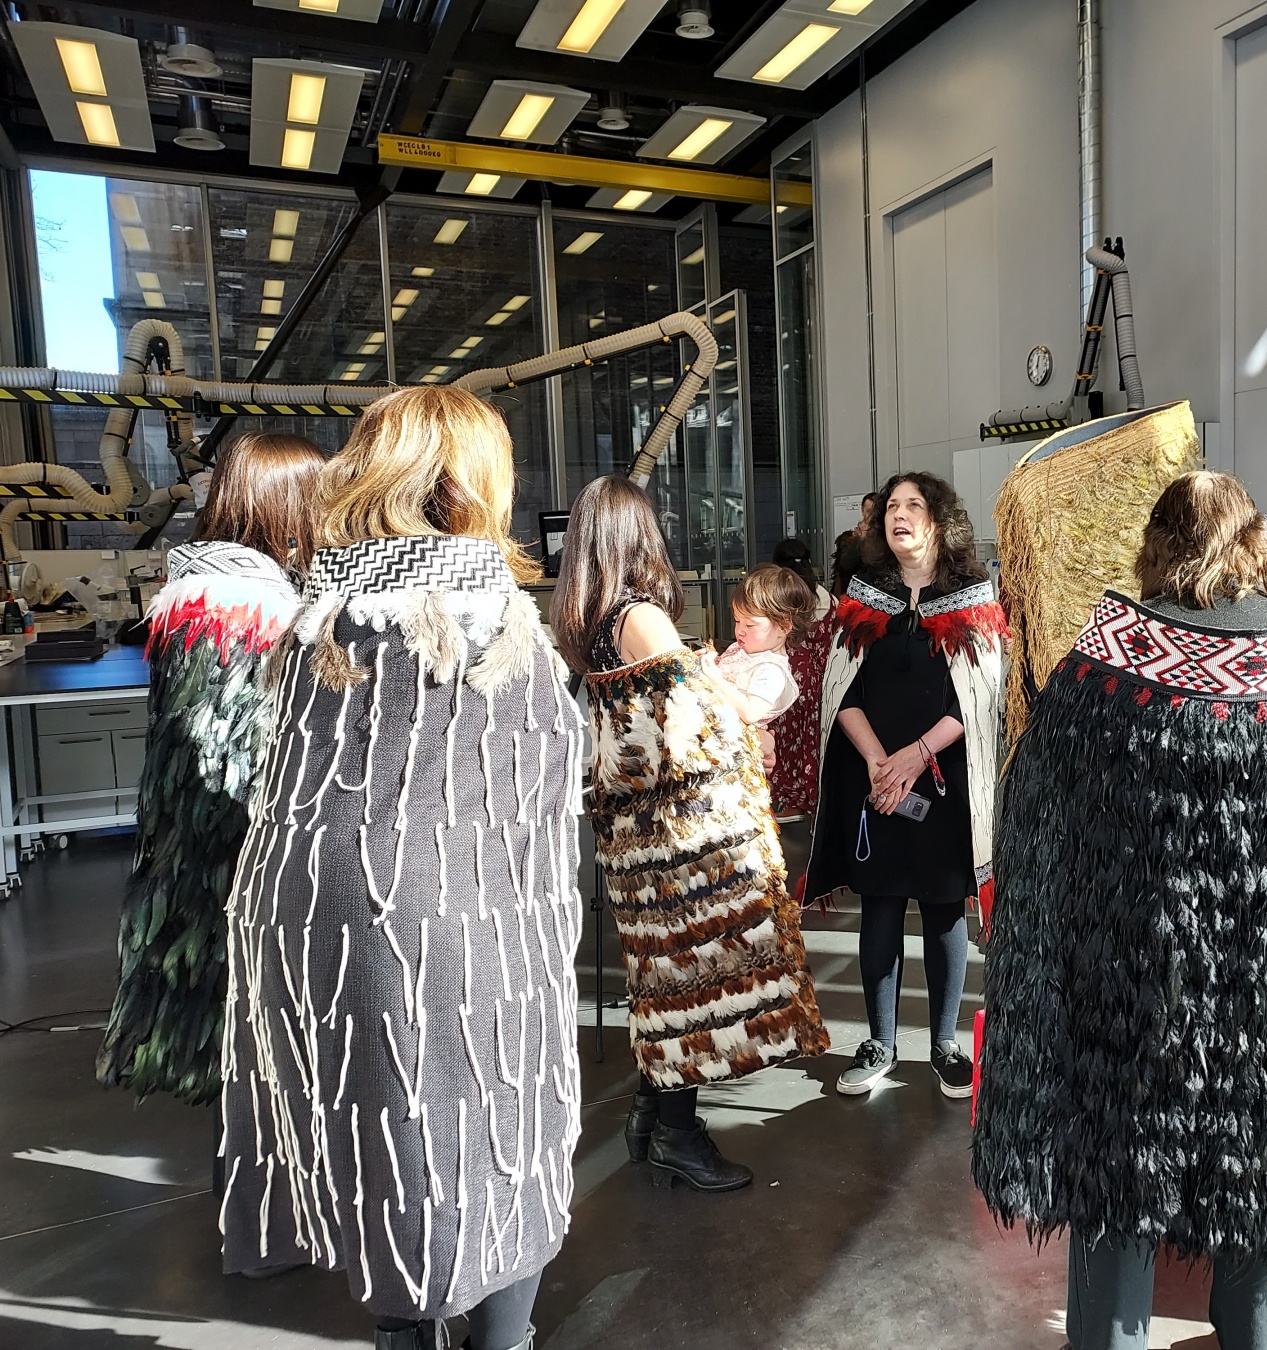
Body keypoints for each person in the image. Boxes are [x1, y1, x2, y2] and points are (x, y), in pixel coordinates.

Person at [973, 470, 1267, 1350]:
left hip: (1137, 995)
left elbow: (1037, 839)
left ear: (1155, 549)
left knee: (1118, 1199)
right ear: (1258, 541)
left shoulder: (1104, 675)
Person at [217, 388, 583, 1350]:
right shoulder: (486, 614)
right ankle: (501, 1335)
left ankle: (403, 1329)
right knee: (503, 1125)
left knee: (380, 1143)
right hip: (473, 925)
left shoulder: (317, 618)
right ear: (474, 483)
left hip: (310, 927)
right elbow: (544, 783)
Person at [553, 477, 829, 1193]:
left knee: (661, 971)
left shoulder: (585, 621)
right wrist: (747, 731)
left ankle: (654, 1113)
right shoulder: (640, 616)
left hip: (634, 836)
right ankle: (678, 1130)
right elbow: (698, 719)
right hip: (682, 835)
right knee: (689, 979)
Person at [97, 432, 324, 1107]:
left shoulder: (210, 586)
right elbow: (228, 756)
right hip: (232, 853)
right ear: (283, 504)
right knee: (239, 1037)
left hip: (204, 848)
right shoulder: (234, 604)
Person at [805, 472, 1006, 1099]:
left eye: (913, 505)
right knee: (881, 908)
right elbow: (843, 692)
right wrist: (877, 764)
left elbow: (977, 700)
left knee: (944, 911)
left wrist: (915, 758)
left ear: (939, 521)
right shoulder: (862, 597)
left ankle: (944, 1045)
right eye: (891, 506)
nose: (900, 515)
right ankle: (880, 1041)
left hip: (940, 788)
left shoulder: (973, 596)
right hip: (878, 784)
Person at [702, 562, 814, 773]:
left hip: (737, 755)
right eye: (737, 621)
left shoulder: (771, 669)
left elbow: (751, 712)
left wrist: (715, 678)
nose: (740, 631)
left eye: (750, 625)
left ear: (784, 625)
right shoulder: (745, 650)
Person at [769, 539, 835, 819]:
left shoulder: (781, 595)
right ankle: (812, 798)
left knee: (785, 743)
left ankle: (786, 800)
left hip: (786, 677)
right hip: (820, 680)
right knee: (812, 742)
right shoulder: (827, 599)